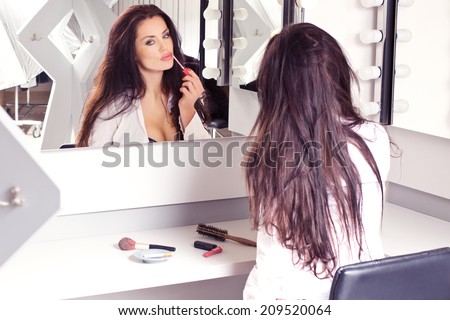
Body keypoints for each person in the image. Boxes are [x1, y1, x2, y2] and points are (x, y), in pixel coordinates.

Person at [243, 23, 392, 299]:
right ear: (339, 76)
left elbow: (272, 269)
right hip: (365, 295)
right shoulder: (374, 137)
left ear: (276, 89)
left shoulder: (279, 154)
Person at [76, 4, 211, 148]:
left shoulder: (183, 96)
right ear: (131, 52)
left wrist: (188, 108)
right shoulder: (112, 109)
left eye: (165, 35)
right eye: (150, 42)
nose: (164, 47)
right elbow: (92, 165)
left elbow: (206, 158)